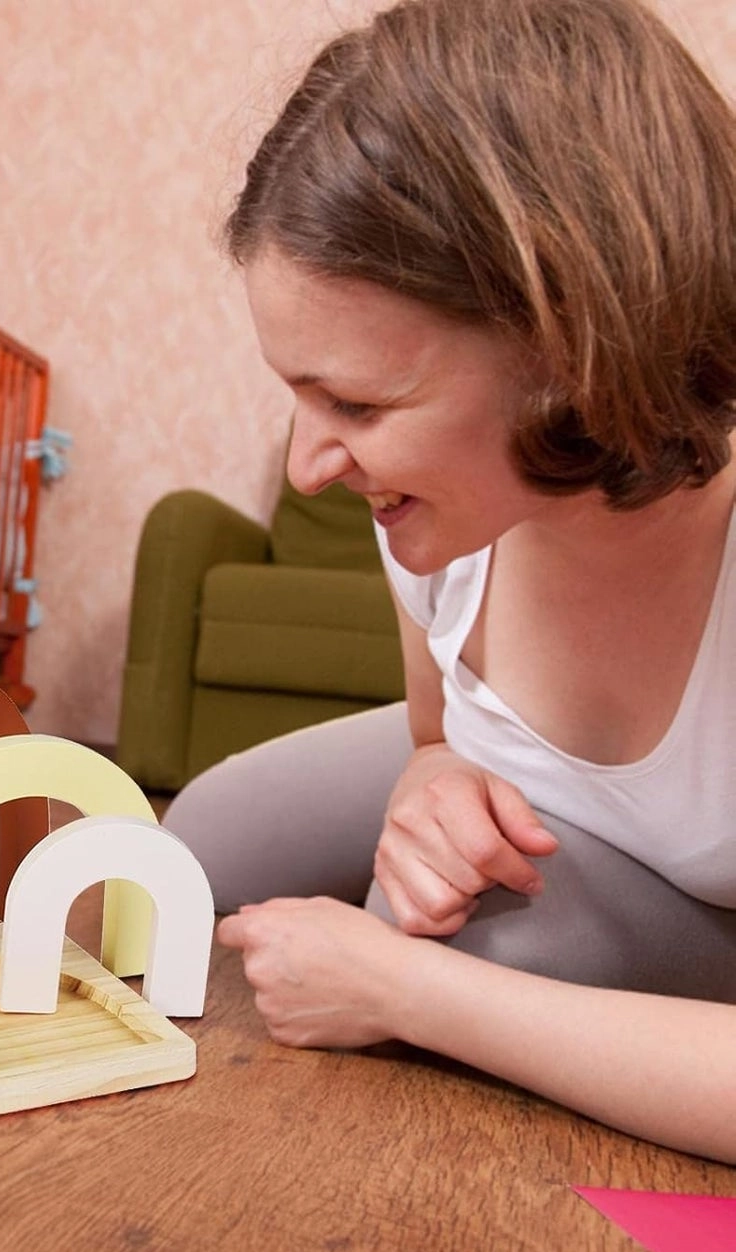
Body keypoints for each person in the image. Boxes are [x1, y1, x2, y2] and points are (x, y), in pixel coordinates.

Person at [164, 0, 736, 1163]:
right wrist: (431, 778)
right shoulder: (437, 519)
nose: (306, 465)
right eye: (300, 394)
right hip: (556, 809)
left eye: (357, 406)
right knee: (197, 842)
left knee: (477, 947)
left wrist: (402, 991)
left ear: (570, 352)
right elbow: (434, 733)